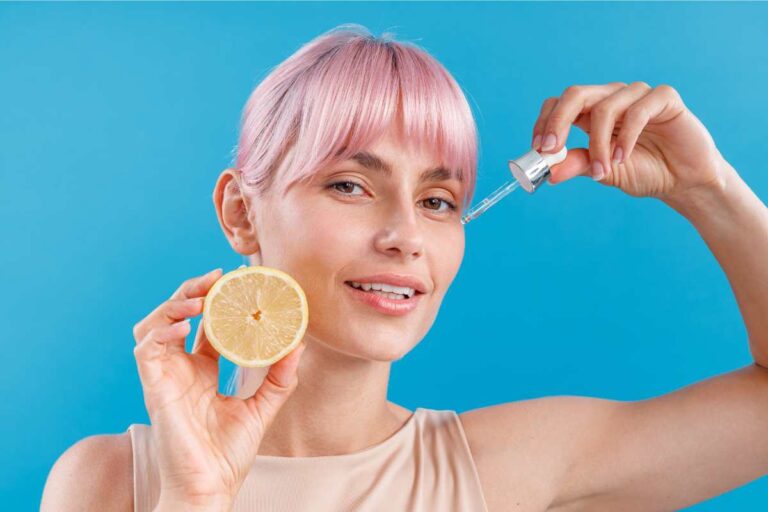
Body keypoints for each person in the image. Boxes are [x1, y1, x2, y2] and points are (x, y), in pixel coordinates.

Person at [42, 23, 768, 512]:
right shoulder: (106, 483)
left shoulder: (511, 470)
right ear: (240, 212)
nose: (406, 235)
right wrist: (194, 499)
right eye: (351, 186)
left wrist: (713, 192)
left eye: (439, 200)